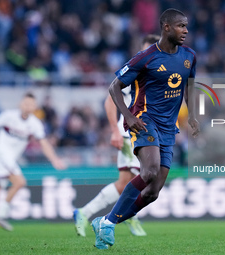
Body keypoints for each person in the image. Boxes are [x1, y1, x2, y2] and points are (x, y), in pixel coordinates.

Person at [91, 8, 199, 249]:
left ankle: (107, 221)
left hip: (168, 128)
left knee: (153, 192)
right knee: (148, 172)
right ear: (166, 27)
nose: (186, 30)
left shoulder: (189, 56)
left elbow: (189, 86)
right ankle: (108, 225)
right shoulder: (146, 56)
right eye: (181, 25)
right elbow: (114, 87)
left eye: (186, 26)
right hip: (144, 119)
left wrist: (192, 115)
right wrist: (128, 116)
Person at [73, 34, 160, 237]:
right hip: (132, 134)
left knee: (125, 182)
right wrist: (114, 130)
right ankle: (128, 218)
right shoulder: (136, 71)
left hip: (144, 133)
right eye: (148, 49)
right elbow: (110, 101)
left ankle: (84, 213)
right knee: (144, 177)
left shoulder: (155, 75)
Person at [0, 93, 66, 231]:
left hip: (11, 158)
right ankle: (0, 214)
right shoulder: (8, 116)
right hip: (1, 154)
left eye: (31, 104)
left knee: (0, 188)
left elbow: (43, 143)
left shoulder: (34, 124)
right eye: (26, 103)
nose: (28, 106)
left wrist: (54, 159)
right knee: (20, 182)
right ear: (20, 104)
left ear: (35, 107)